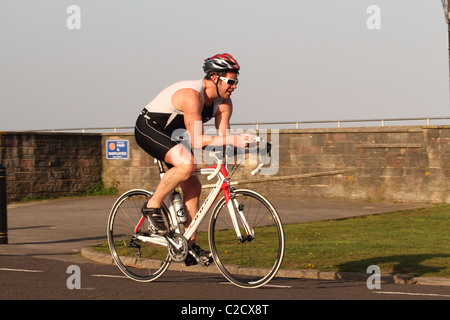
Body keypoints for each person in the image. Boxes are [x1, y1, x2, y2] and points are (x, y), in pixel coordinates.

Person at [134, 53, 256, 266]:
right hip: (150, 128)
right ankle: (152, 205)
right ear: (214, 78)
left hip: (175, 135)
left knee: (193, 185)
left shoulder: (225, 104)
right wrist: (234, 139)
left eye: (236, 82)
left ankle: (187, 243)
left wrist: (249, 146)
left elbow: (223, 137)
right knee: (187, 164)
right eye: (231, 81)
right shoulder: (192, 95)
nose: (234, 86)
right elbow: (198, 139)